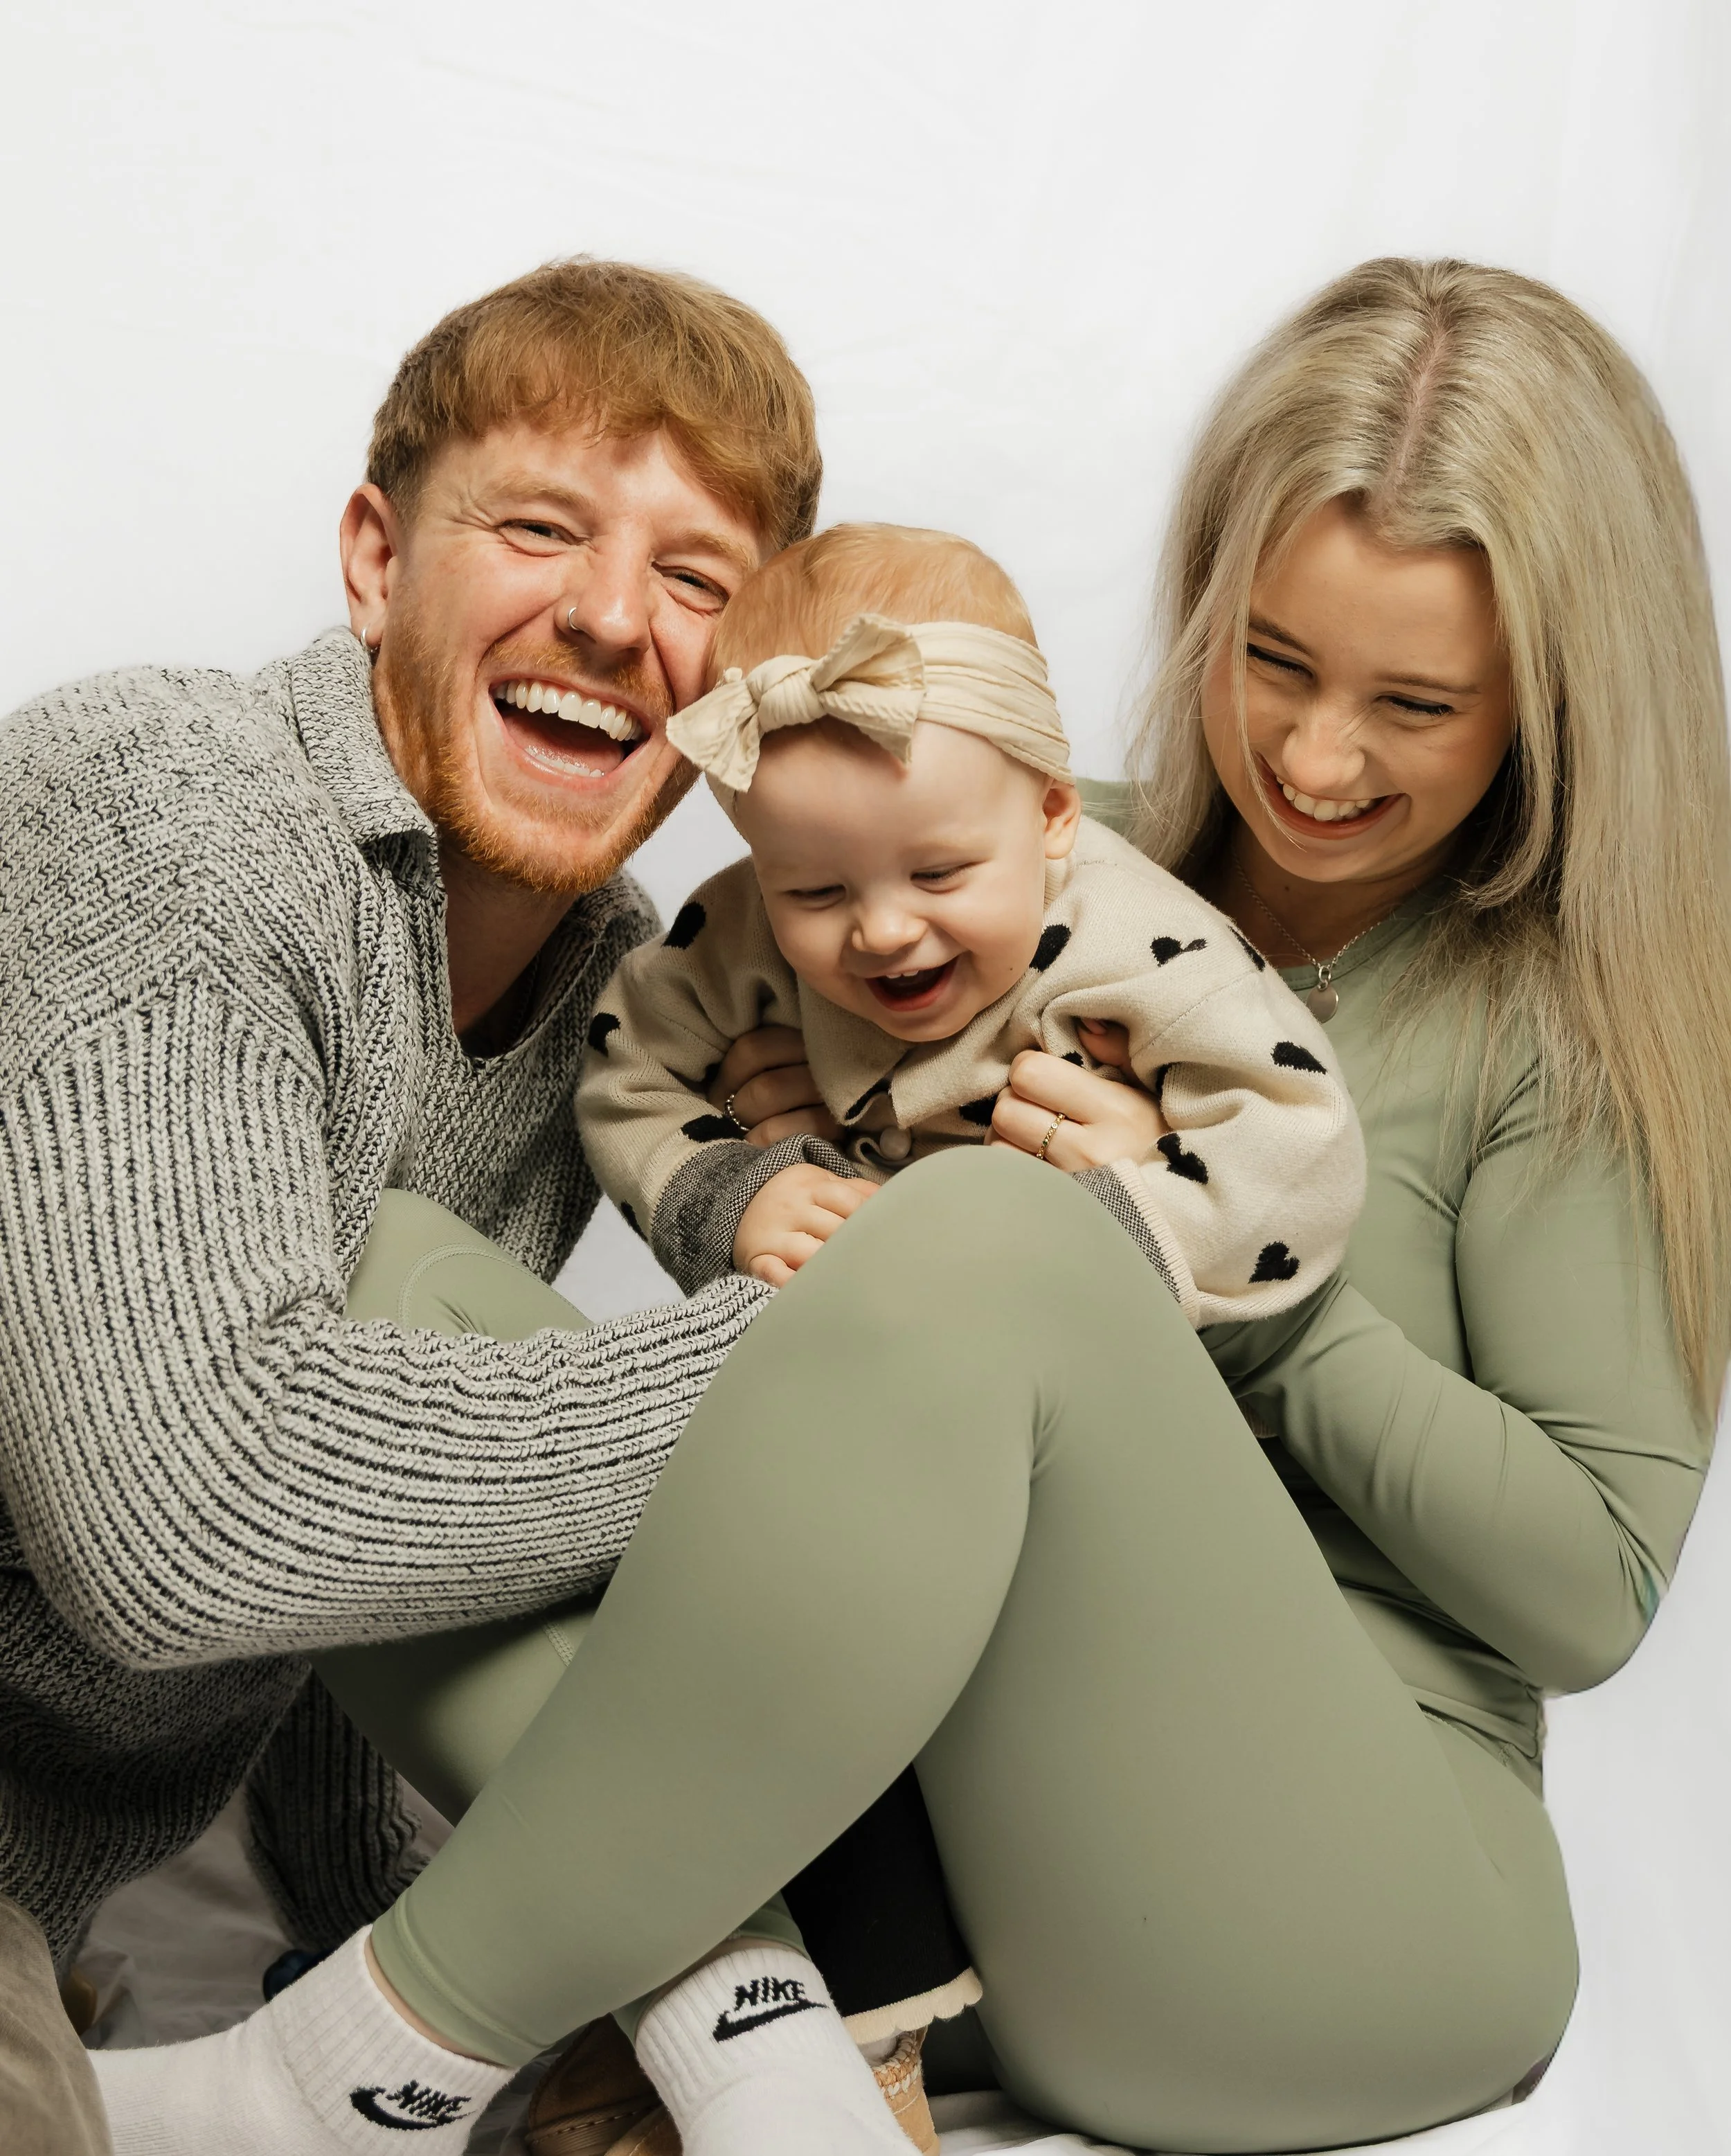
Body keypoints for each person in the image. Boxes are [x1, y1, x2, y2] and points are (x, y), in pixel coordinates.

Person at [92, 254, 1731, 2156]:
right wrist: (751, 1177)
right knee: (379, 1278)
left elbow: (1588, 1591)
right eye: (1270, 658)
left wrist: (1214, 1269)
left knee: (994, 1242)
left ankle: (354, 2067)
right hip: (948, 1876)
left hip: (1349, 1919)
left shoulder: (1561, 1019)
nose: (1311, 756)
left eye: (1416, 704)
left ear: (1546, 698)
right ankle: (779, 2046)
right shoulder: (979, 840)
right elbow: (694, 1036)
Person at [0, 255, 822, 2156]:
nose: (615, 618)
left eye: (696, 579)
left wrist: (399, 1971)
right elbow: (191, 1517)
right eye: (540, 526)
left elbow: (367, 1560)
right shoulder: (159, 812)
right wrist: (830, 1366)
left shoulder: (611, 989)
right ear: (378, 559)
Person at [580, 520, 1362, 1320]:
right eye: (815, 892)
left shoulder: (1143, 945)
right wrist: (737, 1198)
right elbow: (624, 1067)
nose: (881, 931)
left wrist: (1090, 1234)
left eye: (938, 873)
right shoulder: (737, 929)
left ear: (1053, 812)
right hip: (845, 1344)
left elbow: (1302, 1140)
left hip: (1063, 1359)